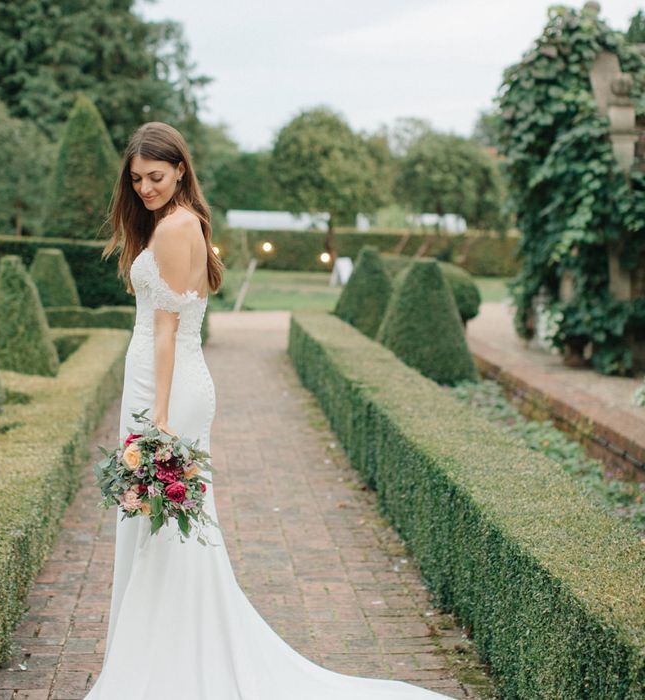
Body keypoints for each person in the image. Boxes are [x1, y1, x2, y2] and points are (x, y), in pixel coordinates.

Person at [87, 121, 454, 699]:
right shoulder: (182, 224)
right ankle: (164, 656)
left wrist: (156, 420)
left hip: (166, 387)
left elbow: (166, 331)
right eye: (135, 180)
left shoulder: (174, 229)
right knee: (169, 527)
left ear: (181, 169)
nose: (145, 188)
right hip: (168, 383)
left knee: (165, 525)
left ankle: (161, 665)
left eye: (155, 176)